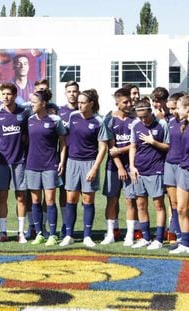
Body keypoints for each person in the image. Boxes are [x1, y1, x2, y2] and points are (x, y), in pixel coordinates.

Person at [59, 89, 109, 247]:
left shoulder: (98, 121)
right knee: (71, 199)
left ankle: (87, 236)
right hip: (72, 163)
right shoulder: (73, 117)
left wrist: (94, 169)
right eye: (78, 102)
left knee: (87, 200)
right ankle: (68, 235)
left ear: (91, 104)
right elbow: (64, 139)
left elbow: (103, 148)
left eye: (82, 102)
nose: (79, 105)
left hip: (89, 163)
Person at [26, 90, 67, 246]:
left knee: (49, 200)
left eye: (34, 102)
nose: (31, 104)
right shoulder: (29, 120)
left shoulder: (55, 120)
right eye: (31, 101)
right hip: (32, 165)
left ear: (43, 104)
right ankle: (39, 234)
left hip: (50, 165)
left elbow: (63, 143)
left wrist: (61, 162)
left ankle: (52, 234)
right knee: (35, 200)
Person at [129, 98, 169, 250]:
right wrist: (132, 166)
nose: (143, 120)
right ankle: (145, 237)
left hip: (156, 169)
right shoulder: (136, 125)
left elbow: (167, 147)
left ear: (150, 112)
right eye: (140, 117)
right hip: (139, 170)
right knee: (140, 204)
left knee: (158, 204)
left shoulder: (162, 124)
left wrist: (153, 142)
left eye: (145, 116)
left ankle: (158, 239)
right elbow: (133, 146)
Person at [0, 83, 30, 244]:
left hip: (19, 161)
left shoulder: (23, 113)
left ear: (15, 95)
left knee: (21, 197)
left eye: (9, 94)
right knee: (2, 196)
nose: (6, 97)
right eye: (3, 94)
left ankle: (21, 232)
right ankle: (3, 232)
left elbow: (28, 135)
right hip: (2, 162)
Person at [101, 87, 137, 246]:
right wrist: (120, 167)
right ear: (117, 103)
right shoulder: (109, 120)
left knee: (131, 201)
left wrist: (124, 156)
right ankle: (110, 233)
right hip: (113, 167)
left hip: (132, 167)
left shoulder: (135, 120)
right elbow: (111, 148)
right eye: (125, 101)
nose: (129, 104)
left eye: (130, 101)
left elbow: (137, 144)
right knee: (112, 200)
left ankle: (129, 235)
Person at [52, 80, 79, 240]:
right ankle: (65, 225)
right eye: (69, 91)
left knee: (81, 194)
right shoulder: (59, 112)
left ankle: (73, 226)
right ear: (65, 93)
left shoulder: (84, 109)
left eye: (75, 91)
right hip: (63, 156)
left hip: (81, 157)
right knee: (63, 191)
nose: (72, 94)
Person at [164, 93, 186, 248]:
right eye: (171, 108)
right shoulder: (171, 122)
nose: (173, 112)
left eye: (175, 108)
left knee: (183, 205)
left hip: (183, 166)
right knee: (175, 203)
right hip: (171, 164)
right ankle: (178, 236)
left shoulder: (186, 124)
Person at [170, 95, 189, 254]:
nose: (176, 111)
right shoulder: (183, 126)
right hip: (184, 169)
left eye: (179, 107)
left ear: (187, 108)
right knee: (181, 208)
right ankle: (185, 243)